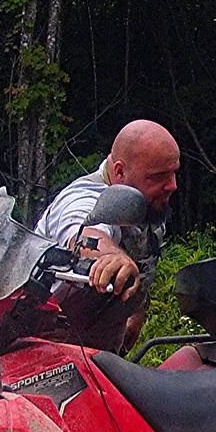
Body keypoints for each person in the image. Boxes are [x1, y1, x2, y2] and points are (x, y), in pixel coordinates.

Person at [32, 119, 181, 353]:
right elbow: (84, 234)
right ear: (119, 171)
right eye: (159, 176)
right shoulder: (84, 198)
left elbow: (143, 271)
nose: (172, 186)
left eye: (174, 173)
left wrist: (131, 321)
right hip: (39, 348)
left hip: (93, 357)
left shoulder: (148, 206)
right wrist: (110, 258)